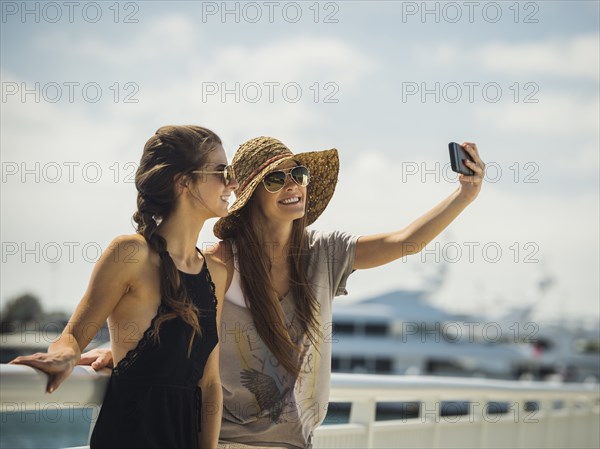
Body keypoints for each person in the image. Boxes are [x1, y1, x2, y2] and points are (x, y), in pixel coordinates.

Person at [83, 136, 485, 449]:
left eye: (299, 175)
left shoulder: (325, 254)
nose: (293, 185)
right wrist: (118, 351)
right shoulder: (216, 264)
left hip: (292, 442)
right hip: (218, 440)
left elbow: (404, 241)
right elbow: (175, 331)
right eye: (276, 179)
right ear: (251, 194)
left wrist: (464, 195)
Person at [10, 125, 239, 449]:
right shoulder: (130, 254)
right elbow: (74, 335)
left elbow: (210, 382)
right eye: (222, 171)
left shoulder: (215, 272)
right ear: (184, 182)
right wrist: (63, 356)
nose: (233, 183)